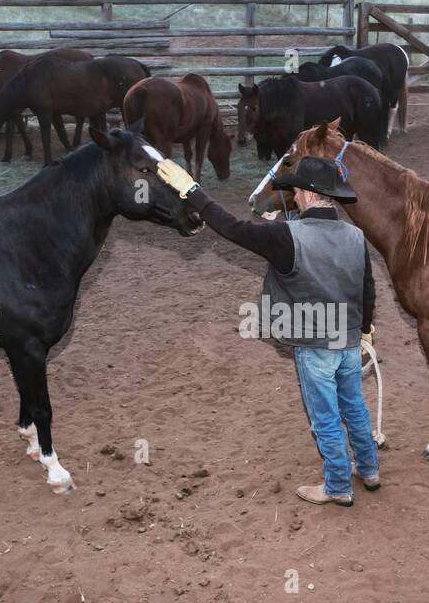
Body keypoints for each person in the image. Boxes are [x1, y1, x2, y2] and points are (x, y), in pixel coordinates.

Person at [156, 154, 380, 507]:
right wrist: (365, 329)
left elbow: (230, 227)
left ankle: (337, 485)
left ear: (306, 194)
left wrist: (193, 191)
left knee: (325, 417)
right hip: (348, 338)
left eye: (295, 191)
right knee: (353, 405)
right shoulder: (355, 235)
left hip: (313, 341)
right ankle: (368, 469)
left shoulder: (285, 236)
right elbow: (366, 287)